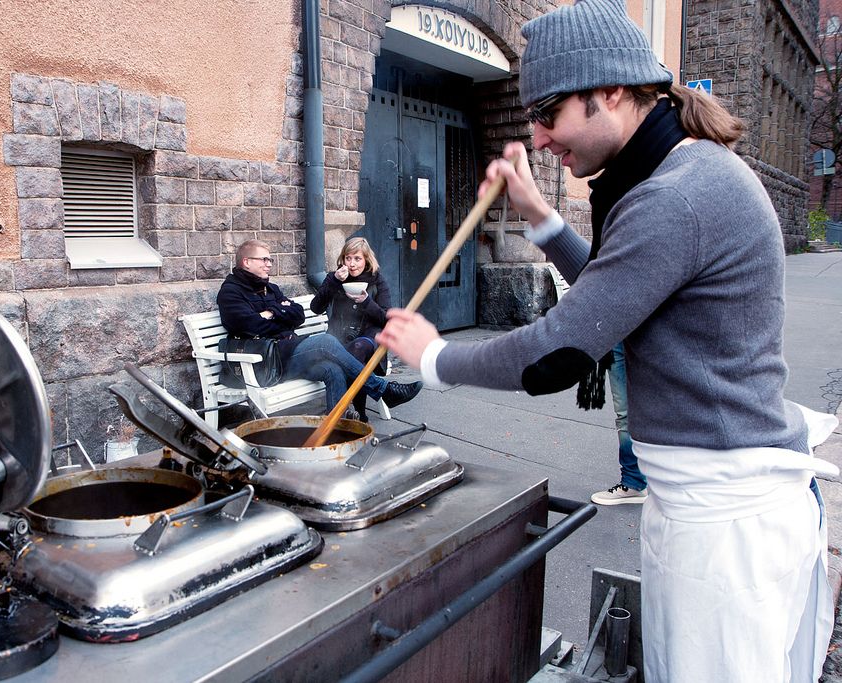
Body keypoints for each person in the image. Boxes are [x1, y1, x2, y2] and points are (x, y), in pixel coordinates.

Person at [375, 0, 839, 680]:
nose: (538, 137)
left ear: (611, 92)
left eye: (549, 113)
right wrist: (538, 217)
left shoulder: (675, 194)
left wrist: (435, 356)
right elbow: (617, 287)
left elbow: (562, 348)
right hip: (711, 503)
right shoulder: (680, 177)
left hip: (727, 527)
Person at [217, 239, 422, 418]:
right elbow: (249, 325)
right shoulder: (231, 292)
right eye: (264, 260)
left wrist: (271, 313)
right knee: (326, 342)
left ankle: (338, 425)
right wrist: (279, 312)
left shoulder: (270, 288)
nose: (269, 264)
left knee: (332, 370)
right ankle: (383, 389)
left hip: (286, 355)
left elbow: (298, 314)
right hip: (264, 363)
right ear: (247, 262)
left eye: (269, 260)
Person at [310, 237, 391, 422]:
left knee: (359, 347)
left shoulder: (377, 281)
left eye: (357, 259)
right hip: (339, 338)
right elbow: (315, 307)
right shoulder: (335, 278)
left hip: (370, 339)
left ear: (367, 260)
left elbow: (386, 319)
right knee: (352, 353)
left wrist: (367, 302)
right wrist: (334, 282)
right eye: (348, 258)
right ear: (343, 259)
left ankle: (354, 412)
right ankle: (354, 414)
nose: (352, 264)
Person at [589, 342, 649, 505]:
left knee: (660, 408)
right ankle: (633, 483)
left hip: (651, 335)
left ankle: (672, 483)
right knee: (625, 413)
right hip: (619, 338)